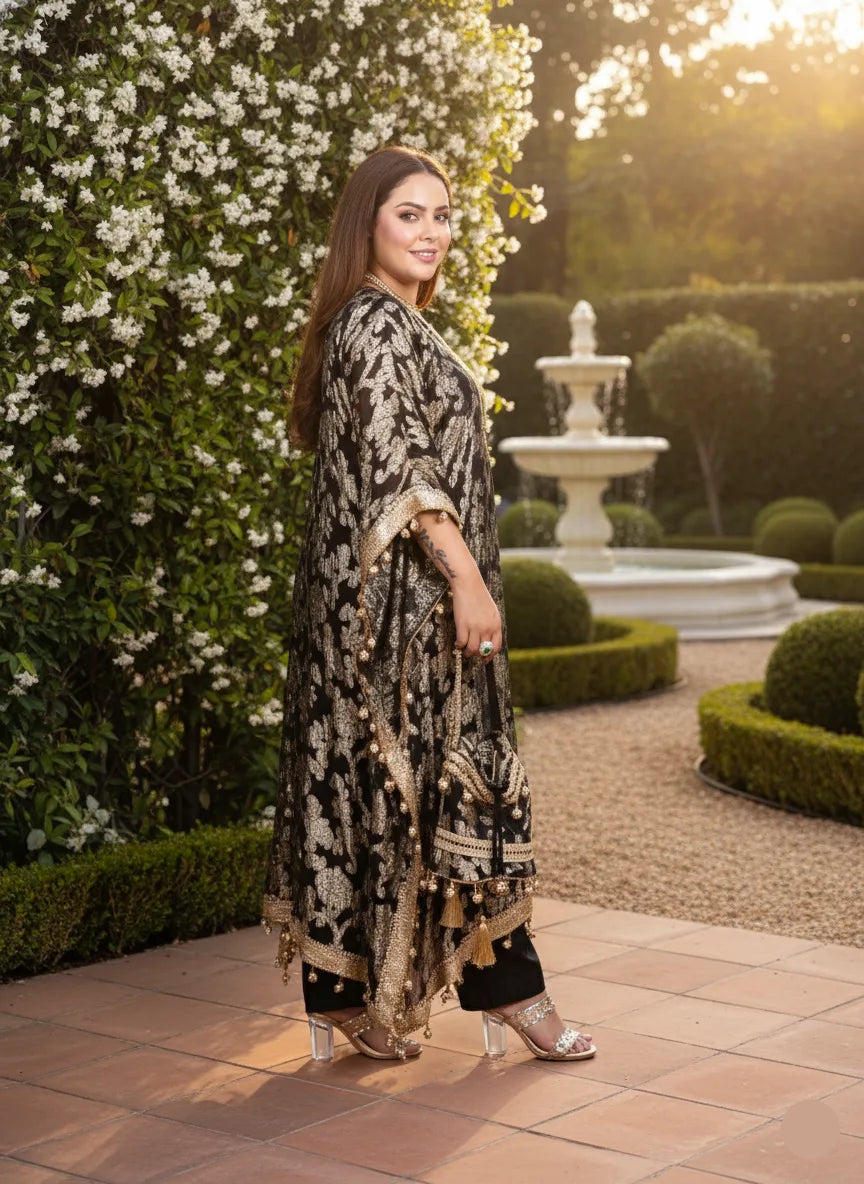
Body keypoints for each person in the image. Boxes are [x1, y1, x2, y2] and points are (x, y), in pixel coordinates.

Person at [262, 144, 596, 1064]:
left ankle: (347, 1001)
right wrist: (468, 580)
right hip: (402, 621)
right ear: (366, 223)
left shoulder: (392, 324)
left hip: (397, 617)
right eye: (411, 213)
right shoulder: (373, 325)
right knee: (444, 788)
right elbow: (403, 473)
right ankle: (511, 992)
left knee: (403, 793)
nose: (433, 233)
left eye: (442, 216)